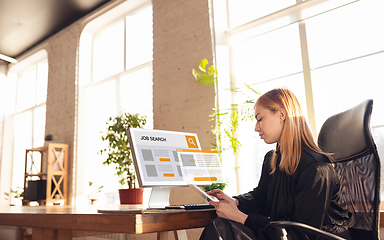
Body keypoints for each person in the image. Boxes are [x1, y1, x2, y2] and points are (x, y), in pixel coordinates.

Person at [200, 88, 351, 240]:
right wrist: (236, 201)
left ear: (281, 115)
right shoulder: (272, 159)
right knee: (221, 226)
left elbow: (303, 234)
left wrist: (241, 217)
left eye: (260, 119)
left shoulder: (316, 167)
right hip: (281, 235)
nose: (256, 127)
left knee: (222, 229)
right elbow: (261, 197)